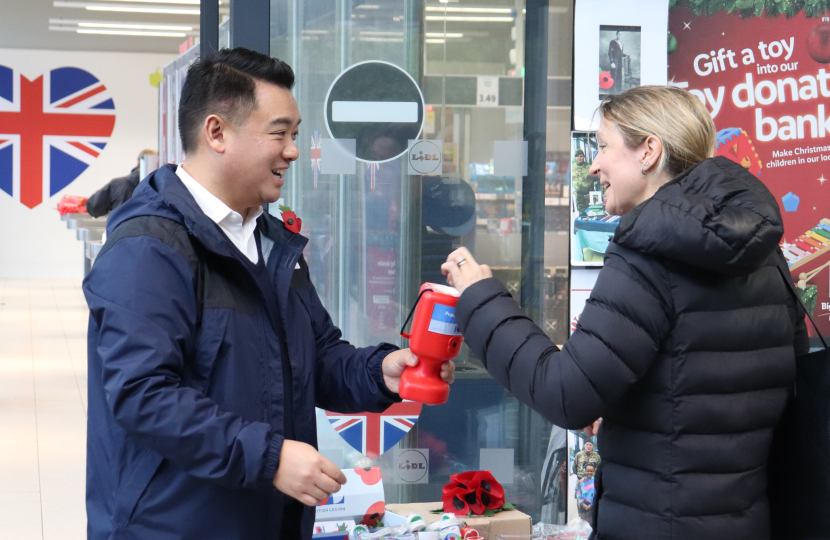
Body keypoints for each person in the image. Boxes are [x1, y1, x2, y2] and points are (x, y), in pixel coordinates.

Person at [83, 47, 455, 540]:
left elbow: (315, 355)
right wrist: (272, 457)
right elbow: (145, 396)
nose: (293, 151)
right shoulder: (149, 248)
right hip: (172, 524)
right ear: (216, 132)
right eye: (279, 133)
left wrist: (381, 373)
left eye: (295, 135)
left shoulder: (272, 241)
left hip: (267, 518)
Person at [441, 85, 808, 540]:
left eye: (603, 147)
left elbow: (565, 394)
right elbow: (715, 386)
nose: (594, 165)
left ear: (648, 152)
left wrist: (480, 297)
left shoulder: (648, 251)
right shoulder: (766, 256)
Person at [86, 149, 157, 217]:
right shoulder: (160, 186)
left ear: (138, 163)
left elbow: (93, 207)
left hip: (120, 228)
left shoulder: (117, 184)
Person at [571, 149, 598, 213]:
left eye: (581, 156)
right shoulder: (572, 167)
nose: (579, 158)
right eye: (578, 156)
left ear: (584, 157)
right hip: (579, 196)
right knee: (582, 214)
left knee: (592, 212)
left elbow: (596, 180)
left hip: (589, 195)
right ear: (575, 157)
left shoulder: (589, 167)